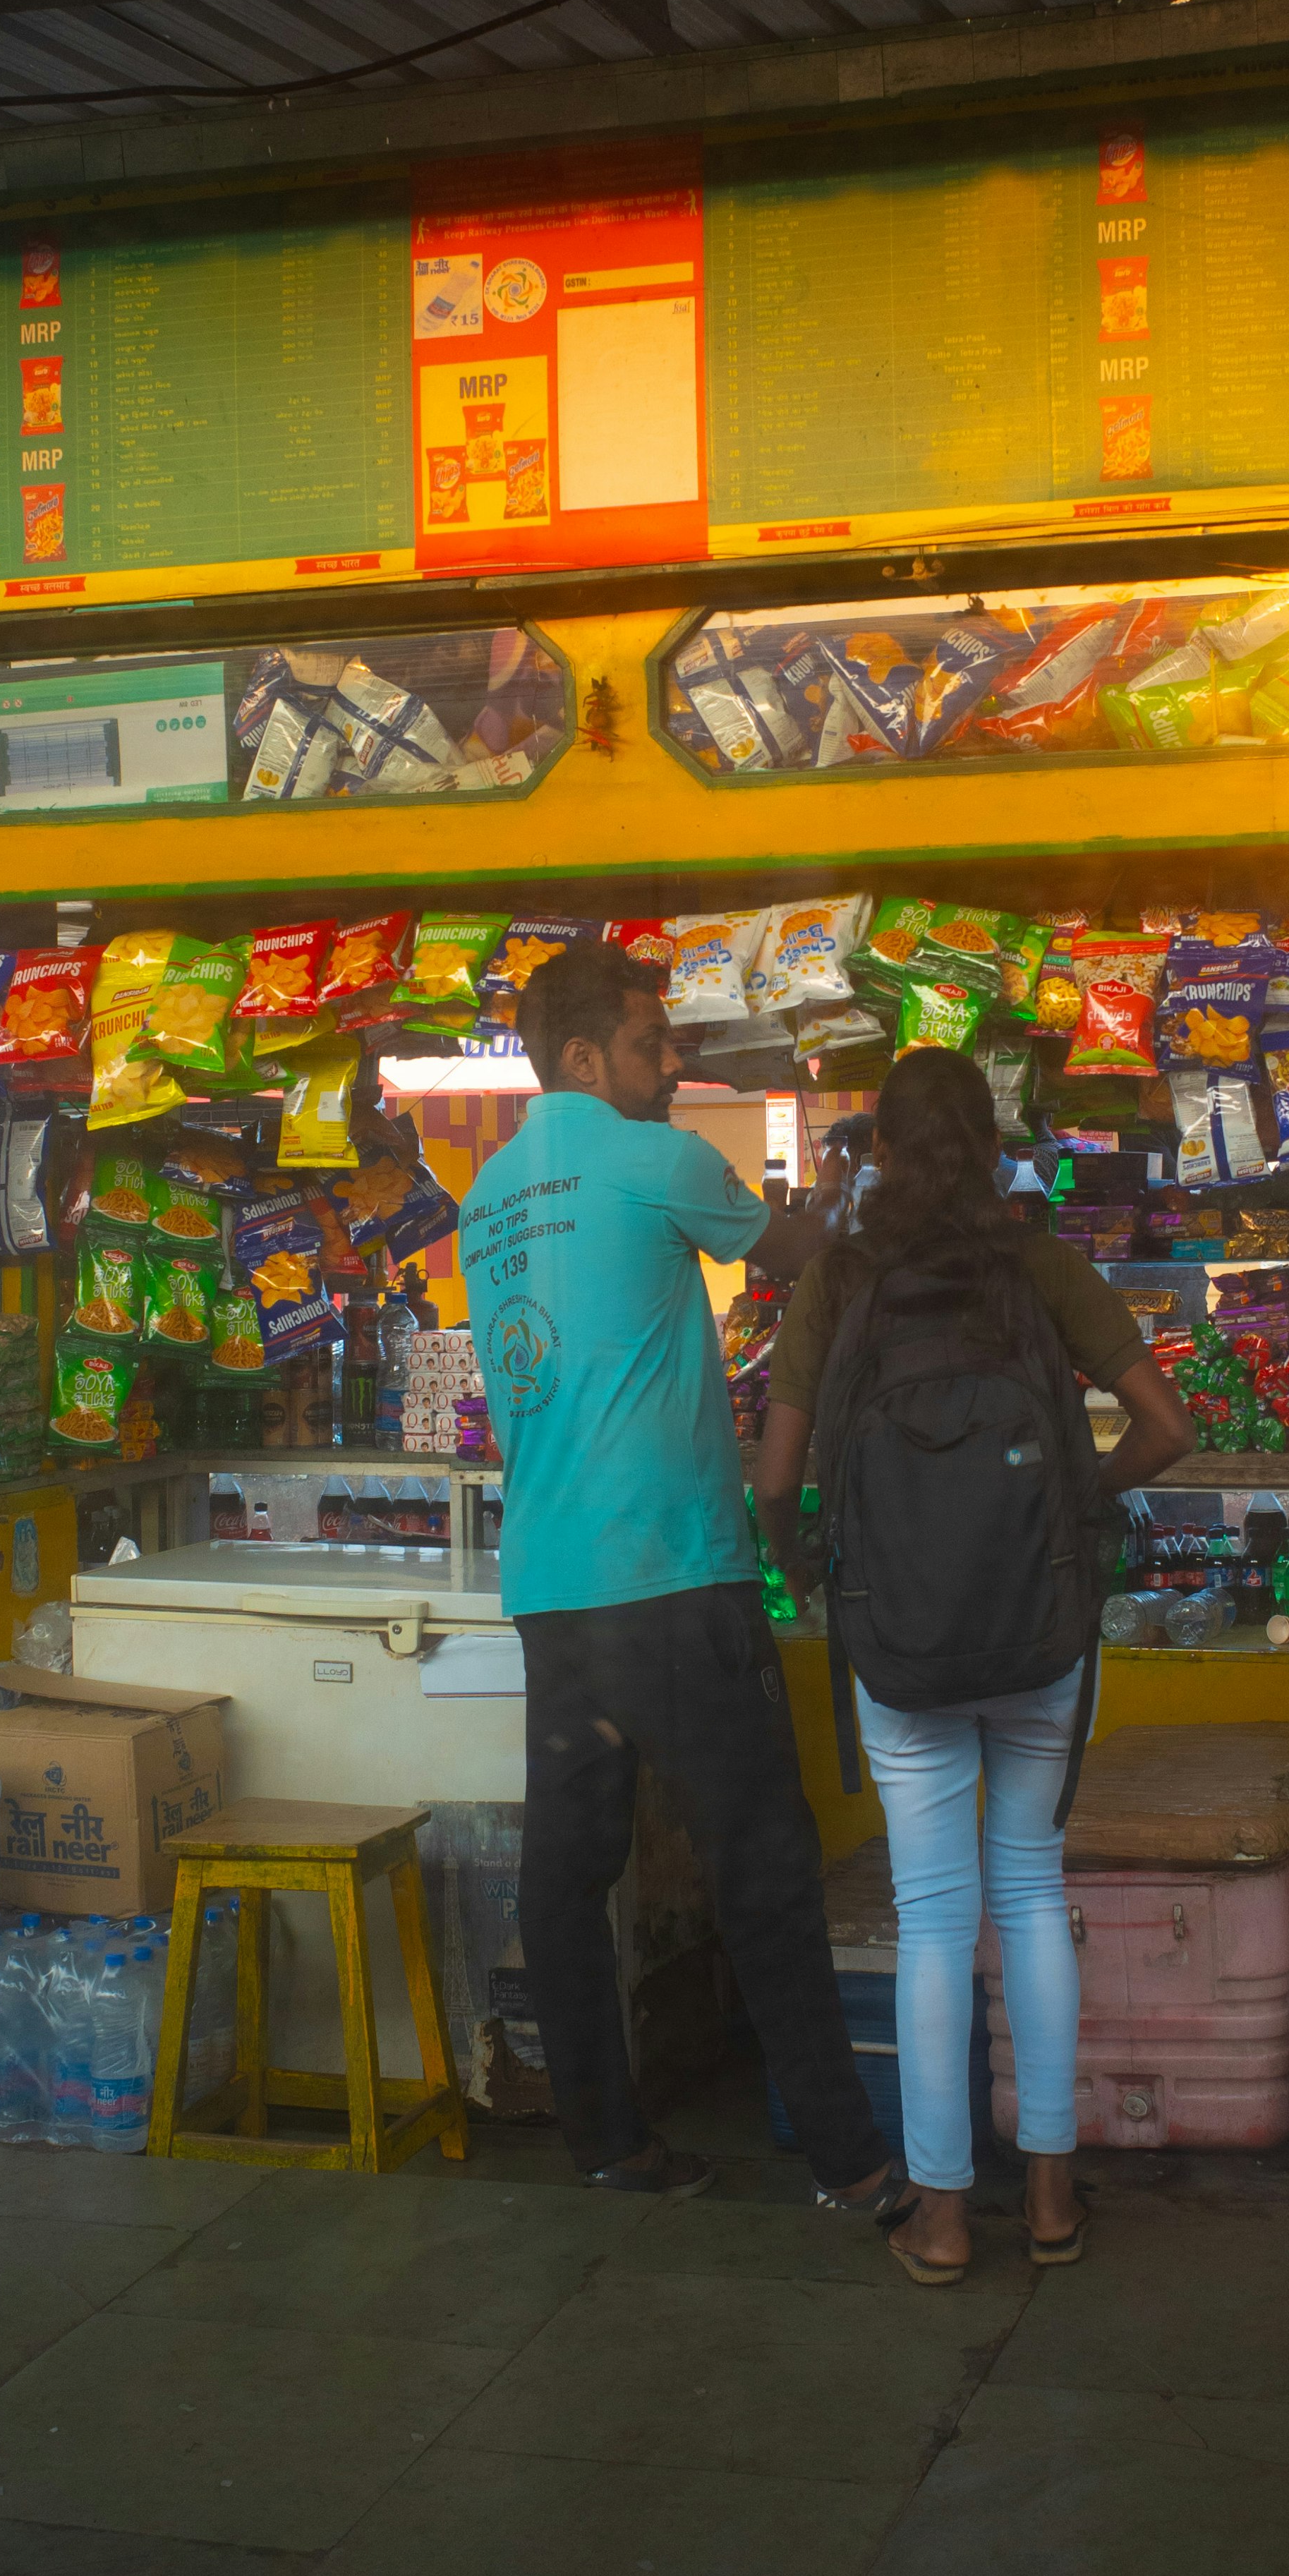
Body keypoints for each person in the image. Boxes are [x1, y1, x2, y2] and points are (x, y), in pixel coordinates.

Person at [457, 943, 898, 2213]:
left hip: (552, 1584)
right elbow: (804, 1250)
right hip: (673, 1574)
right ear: (585, 1056)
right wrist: (852, 1178)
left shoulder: (486, 1190)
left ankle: (605, 2137)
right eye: (656, 1043)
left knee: (568, 1869)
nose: (676, 1060)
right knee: (763, 1857)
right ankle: (851, 2160)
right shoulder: (660, 1160)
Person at [754, 1051, 1194, 2286]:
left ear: (881, 1149)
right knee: (1028, 1893)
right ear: (994, 1141)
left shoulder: (841, 1276)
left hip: (897, 1637)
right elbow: (1169, 1427)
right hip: (1037, 1625)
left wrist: (813, 1568)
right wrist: (1071, 1506)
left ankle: (942, 2213)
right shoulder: (1044, 1264)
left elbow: (778, 1482)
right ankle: (1051, 2192)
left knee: (936, 1920)